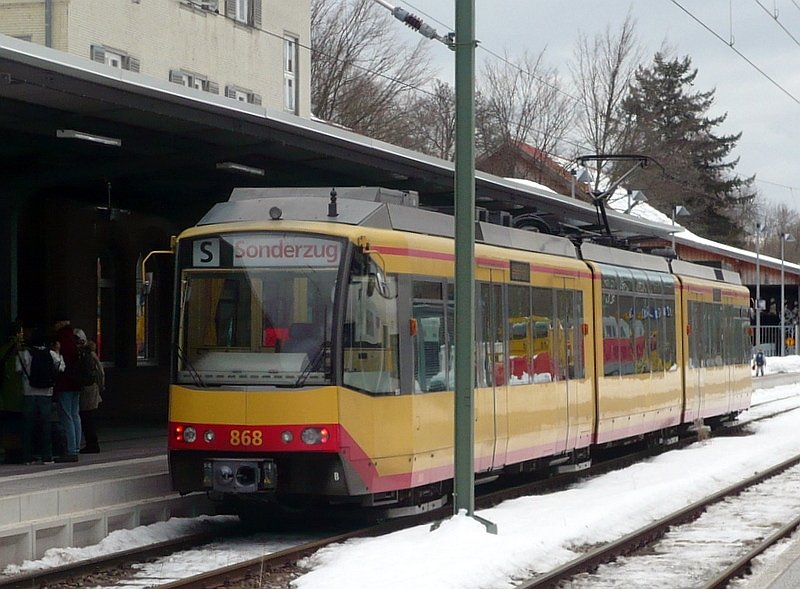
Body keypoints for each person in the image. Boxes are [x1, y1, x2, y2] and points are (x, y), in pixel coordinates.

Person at [16, 328, 64, 464]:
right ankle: (47, 456)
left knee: (28, 425)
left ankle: (27, 456)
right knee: (46, 425)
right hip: (46, 392)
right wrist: (58, 352)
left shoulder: (26, 353)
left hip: (29, 391)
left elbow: (18, 369)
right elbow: (61, 367)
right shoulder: (51, 353)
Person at [53, 317, 81, 462]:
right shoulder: (75, 339)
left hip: (64, 383)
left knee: (66, 416)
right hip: (77, 383)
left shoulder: (61, 341)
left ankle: (70, 449)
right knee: (75, 414)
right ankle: (76, 446)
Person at [75, 329, 104, 454]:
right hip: (93, 388)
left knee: (87, 417)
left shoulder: (84, 355)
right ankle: (92, 443)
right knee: (88, 417)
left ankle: (92, 443)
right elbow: (101, 372)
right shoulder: (91, 353)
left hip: (88, 389)